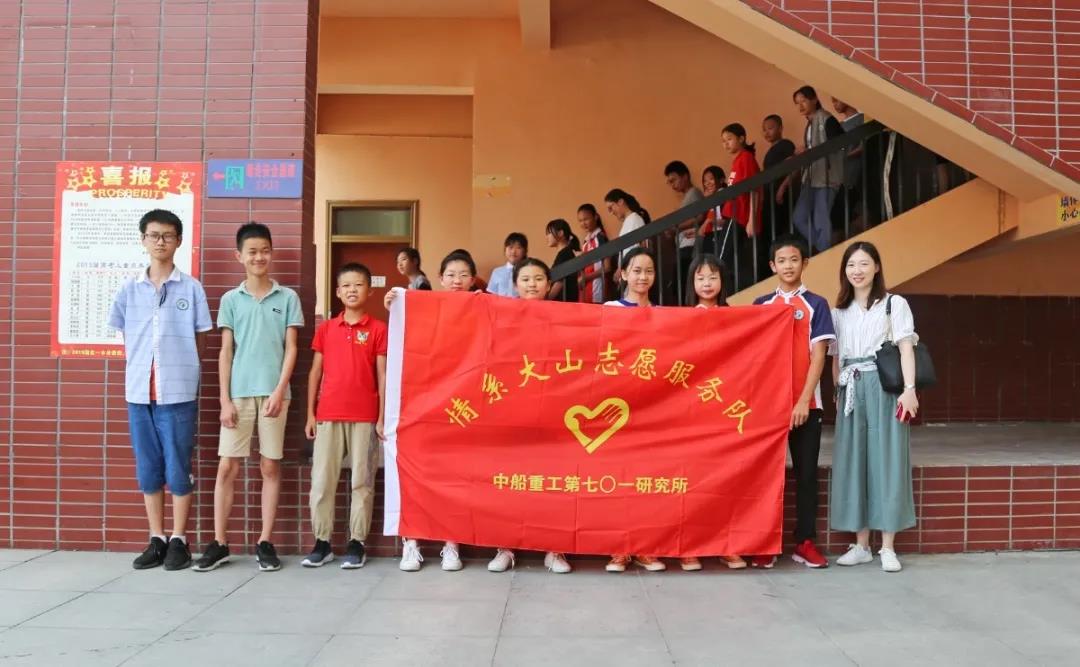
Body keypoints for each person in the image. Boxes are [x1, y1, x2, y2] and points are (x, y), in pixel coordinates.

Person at [193, 223, 303, 573]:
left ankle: (265, 542)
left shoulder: (287, 298)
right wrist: (224, 400)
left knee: (270, 466)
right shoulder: (230, 300)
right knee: (228, 466)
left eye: (265, 250)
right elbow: (225, 352)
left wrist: (280, 390)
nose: (259, 257)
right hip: (238, 394)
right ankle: (220, 542)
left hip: (275, 395)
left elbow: (292, 348)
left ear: (272, 253)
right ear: (239, 256)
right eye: (252, 251)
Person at [108, 209, 212, 571]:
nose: (160, 242)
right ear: (143, 240)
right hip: (139, 393)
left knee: (179, 466)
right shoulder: (129, 288)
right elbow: (124, 334)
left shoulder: (192, 288)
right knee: (148, 467)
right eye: (154, 235)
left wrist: (183, 371)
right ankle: (157, 538)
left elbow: (200, 340)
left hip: (178, 393)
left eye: (168, 235)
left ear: (179, 241)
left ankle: (179, 539)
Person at [830, 241, 919, 573]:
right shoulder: (839, 311)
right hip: (851, 389)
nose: (858, 271)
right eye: (851, 265)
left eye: (864, 264)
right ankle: (862, 544)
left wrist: (909, 390)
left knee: (888, 461)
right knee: (854, 462)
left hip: (884, 387)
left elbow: (906, 348)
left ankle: (888, 547)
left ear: (877, 267)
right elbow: (836, 357)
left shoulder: (894, 304)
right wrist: (838, 390)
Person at [752, 234, 836, 570]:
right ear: (772, 266)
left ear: (805, 263)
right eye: (782, 260)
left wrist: (802, 401)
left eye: (794, 259)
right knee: (765, 478)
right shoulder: (761, 305)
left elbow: (819, 356)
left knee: (806, 476)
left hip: (807, 407)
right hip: (767, 409)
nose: (788, 266)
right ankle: (763, 542)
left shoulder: (817, 304)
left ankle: (804, 542)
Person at [394, 250, 480, 571]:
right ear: (440, 278)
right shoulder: (424, 307)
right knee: (418, 472)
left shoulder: (483, 307)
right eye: (451, 275)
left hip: (464, 406)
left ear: (473, 280)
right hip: (426, 404)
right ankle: (411, 542)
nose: (457, 280)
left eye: (463, 275)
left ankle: (451, 544)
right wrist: (397, 304)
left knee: (455, 477)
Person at [487, 257, 573, 575]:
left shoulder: (566, 319)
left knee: (553, 483)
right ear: (515, 285)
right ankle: (505, 548)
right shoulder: (502, 317)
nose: (532, 284)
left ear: (549, 285)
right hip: (513, 412)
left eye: (538, 278)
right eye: (525, 279)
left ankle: (555, 550)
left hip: (555, 414)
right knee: (511, 483)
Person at [302, 262, 386, 570]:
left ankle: (357, 542)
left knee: (362, 481)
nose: (352, 290)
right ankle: (322, 542)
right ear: (338, 292)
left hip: (365, 415)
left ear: (369, 291)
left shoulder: (378, 329)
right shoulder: (326, 329)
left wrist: (382, 417)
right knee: (322, 480)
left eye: (359, 284)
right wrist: (310, 414)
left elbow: (383, 375)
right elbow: (315, 372)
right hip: (328, 414)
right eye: (346, 285)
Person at [602, 248, 666, 573]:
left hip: (652, 409)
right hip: (615, 408)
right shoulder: (609, 310)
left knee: (646, 481)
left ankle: (644, 547)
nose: (643, 277)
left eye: (649, 271)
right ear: (624, 274)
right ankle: (618, 548)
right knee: (617, 479)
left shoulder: (664, 314)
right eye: (637, 270)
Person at [792, 85, 844, 253]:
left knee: (821, 218)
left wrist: (809, 151)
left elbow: (841, 143)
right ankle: (823, 247)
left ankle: (824, 251)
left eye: (803, 101)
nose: (800, 106)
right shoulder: (810, 124)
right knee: (799, 217)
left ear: (814, 99)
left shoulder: (826, 118)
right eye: (797, 103)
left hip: (827, 177)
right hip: (811, 177)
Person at [720, 123, 762, 290]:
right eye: (723, 141)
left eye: (729, 139)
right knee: (732, 258)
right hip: (734, 215)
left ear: (741, 139)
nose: (726, 144)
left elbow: (754, 189)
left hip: (739, 215)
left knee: (722, 256)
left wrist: (752, 219)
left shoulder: (746, 158)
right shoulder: (738, 160)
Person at [664, 160, 705, 300]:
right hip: (683, 245)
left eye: (673, 180)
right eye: (669, 182)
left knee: (684, 282)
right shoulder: (687, 196)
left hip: (690, 244)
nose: (672, 185)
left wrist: (676, 228)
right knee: (680, 283)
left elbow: (700, 216)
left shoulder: (694, 193)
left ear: (685, 176)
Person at [832, 98, 865, 233]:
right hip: (841, 177)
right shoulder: (839, 125)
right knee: (841, 216)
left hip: (856, 173)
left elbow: (864, 145)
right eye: (832, 102)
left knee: (856, 210)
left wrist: (846, 156)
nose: (834, 105)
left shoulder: (861, 119)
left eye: (836, 100)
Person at [762, 114, 797, 238]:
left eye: (770, 128)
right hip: (770, 197)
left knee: (784, 228)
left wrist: (782, 188)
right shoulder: (768, 152)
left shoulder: (786, 145)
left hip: (783, 195)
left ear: (780, 128)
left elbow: (794, 166)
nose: (767, 132)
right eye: (764, 130)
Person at [576, 203, 612, 304]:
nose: (583, 223)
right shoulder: (586, 241)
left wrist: (586, 278)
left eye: (586, 219)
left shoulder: (601, 238)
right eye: (580, 221)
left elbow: (607, 267)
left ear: (595, 217)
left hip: (597, 289)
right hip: (585, 290)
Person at [604, 188, 650, 260]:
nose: (611, 212)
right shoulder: (628, 221)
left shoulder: (634, 219)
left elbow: (635, 249)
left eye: (611, 208)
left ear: (620, 202)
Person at [545, 218, 581, 302]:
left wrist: (547, 299)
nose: (547, 237)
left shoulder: (565, 254)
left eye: (549, 233)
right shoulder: (564, 253)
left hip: (565, 302)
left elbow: (559, 282)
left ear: (560, 233)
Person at [697, 165, 726, 258]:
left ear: (721, 180)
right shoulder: (714, 198)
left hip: (719, 236)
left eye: (711, 179)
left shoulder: (724, 195)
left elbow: (727, 221)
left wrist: (709, 222)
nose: (707, 183)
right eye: (705, 181)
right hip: (712, 236)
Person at [488, 233, 528, 297]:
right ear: (505, 250)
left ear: (525, 251)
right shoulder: (497, 272)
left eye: (518, 248)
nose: (513, 252)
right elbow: (491, 296)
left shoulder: (528, 272)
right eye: (510, 247)